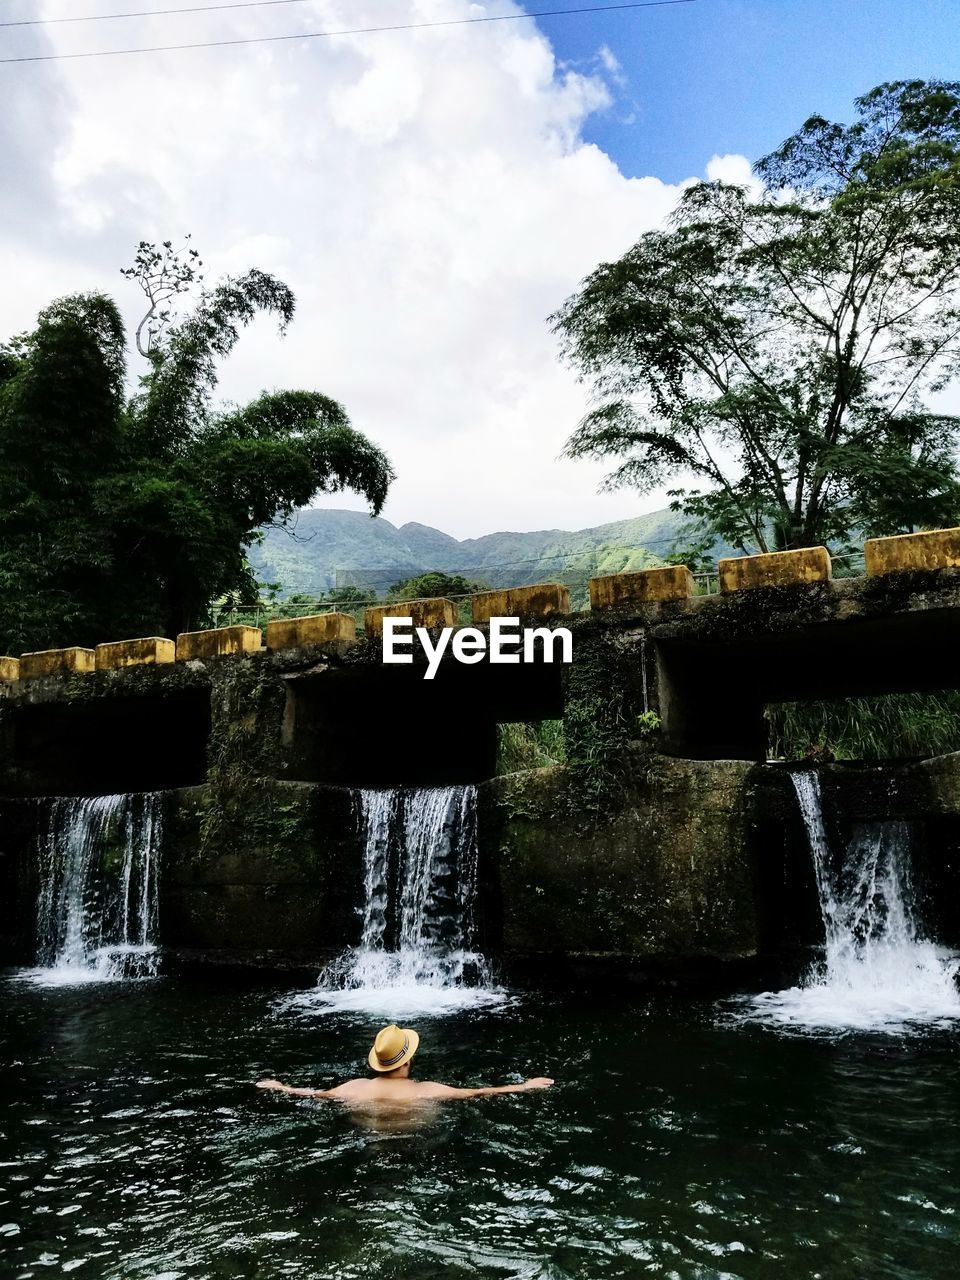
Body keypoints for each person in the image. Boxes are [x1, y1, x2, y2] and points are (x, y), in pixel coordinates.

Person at [255, 1023, 554, 1103]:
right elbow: (480, 1093)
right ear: (409, 1059)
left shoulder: (355, 1088)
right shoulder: (427, 1090)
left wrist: (279, 1087)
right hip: (414, 1146)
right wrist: (526, 1085)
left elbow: (312, 1094)